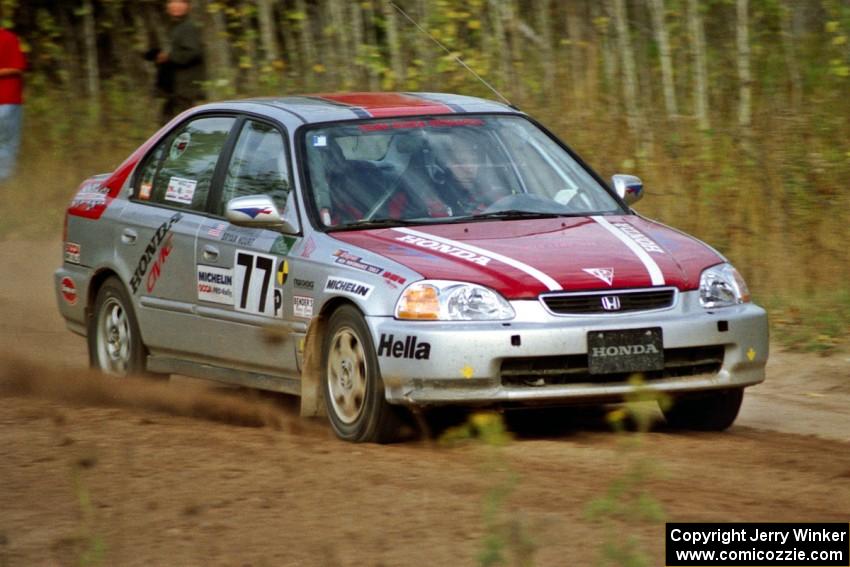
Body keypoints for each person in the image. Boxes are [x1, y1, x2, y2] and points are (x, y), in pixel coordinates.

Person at [150, 0, 206, 122]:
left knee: (188, 122)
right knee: (167, 122)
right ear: (167, 6)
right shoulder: (175, 27)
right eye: (172, 2)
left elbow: (194, 52)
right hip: (174, 87)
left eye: (181, 2)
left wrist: (169, 57)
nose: (176, 6)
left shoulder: (188, 27)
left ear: (187, 6)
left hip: (185, 86)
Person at [0, 26, 25, 182]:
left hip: (9, 100)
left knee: (6, 144)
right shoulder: (11, 38)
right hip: (9, 102)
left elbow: (18, 68)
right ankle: (4, 182)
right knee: (8, 145)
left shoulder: (8, 38)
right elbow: (18, 68)